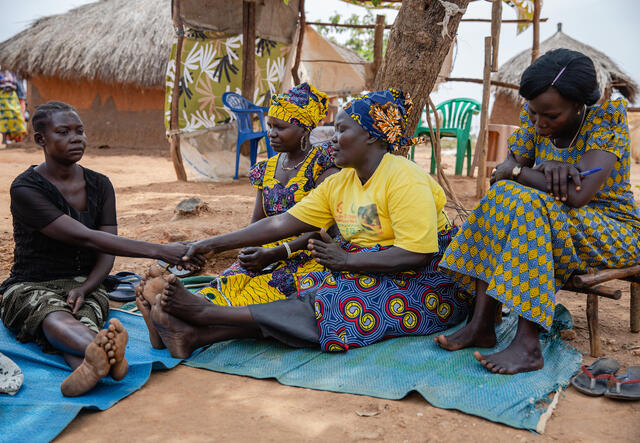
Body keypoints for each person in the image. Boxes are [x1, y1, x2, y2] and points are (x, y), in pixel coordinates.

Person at [136, 89, 470, 358]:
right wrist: (212, 244)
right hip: (369, 266)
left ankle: (206, 316)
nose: (333, 139)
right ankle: (192, 335)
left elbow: (419, 253)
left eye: (342, 130)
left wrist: (348, 260)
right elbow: (280, 223)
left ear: (371, 136)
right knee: (304, 289)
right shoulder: (341, 183)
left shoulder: (403, 177)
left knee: (339, 303)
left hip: (429, 280)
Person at [436, 49, 640, 374]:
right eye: (533, 114)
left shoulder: (604, 124)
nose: (540, 123)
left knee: (528, 202)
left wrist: (523, 174)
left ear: (578, 106)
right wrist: (541, 171)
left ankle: (528, 344)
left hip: (612, 231)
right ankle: (482, 323)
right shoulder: (536, 121)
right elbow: (500, 176)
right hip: (553, 221)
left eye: (552, 117)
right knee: (507, 196)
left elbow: (577, 194)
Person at [0, 101, 201, 396]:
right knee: (50, 314)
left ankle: (95, 363)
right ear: (41, 139)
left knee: (83, 316)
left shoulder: (100, 184)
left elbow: (107, 248)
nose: (76, 138)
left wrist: (87, 287)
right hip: (31, 283)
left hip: (86, 284)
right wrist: (160, 251)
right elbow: (87, 238)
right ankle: (107, 356)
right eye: (64, 132)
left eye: (80, 131)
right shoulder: (26, 189)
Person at [194, 83, 338, 306]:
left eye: (280, 127)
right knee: (215, 292)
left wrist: (277, 253)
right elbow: (257, 222)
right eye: (269, 125)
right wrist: (250, 252)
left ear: (304, 130)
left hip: (307, 256)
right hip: (265, 252)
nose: (271, 133)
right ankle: (173, 316)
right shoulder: (266, 168)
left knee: (255, 297)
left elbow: (326, 230)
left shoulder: (323, 167)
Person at [0, 70, 27, 144]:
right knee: (4, 119)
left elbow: (19, 87)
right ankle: (5, 139)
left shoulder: (14, 73)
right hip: (2, 98)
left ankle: (16, 137)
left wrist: (22, 98)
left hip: (12, 98)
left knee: (16, 116)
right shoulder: (1, 74)